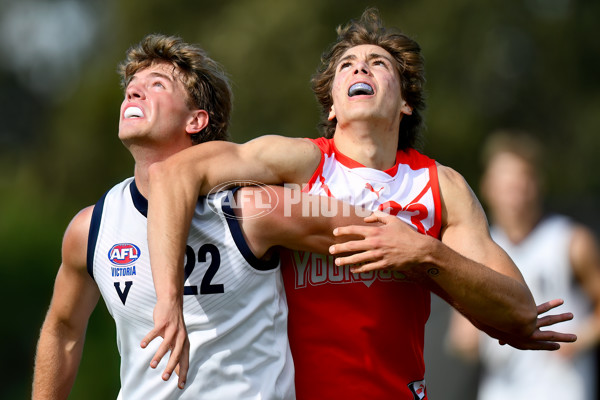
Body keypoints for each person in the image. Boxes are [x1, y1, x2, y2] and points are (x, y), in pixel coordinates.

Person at [143, 9, 577, 399]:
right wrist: (169, 301)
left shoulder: (439, 185)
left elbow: (519, 310)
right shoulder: (301, 162)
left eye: (378, 63)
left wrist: (425, 252)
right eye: (347, 65)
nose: (360, 68)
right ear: (332, 106)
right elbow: (175, 173)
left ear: (406, 102)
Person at [32, 33, 380, 400]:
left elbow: (371, 230)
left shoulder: (253, 207)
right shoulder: (93, 227)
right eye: (131, 88)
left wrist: (430, 248)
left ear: (196, 120)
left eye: (156, 85)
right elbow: (63, 328)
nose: (133, 93)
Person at [447, 130, 600, 400]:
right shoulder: (475, 250)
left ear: (537, 184)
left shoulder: (571, 242)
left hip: (563, 391)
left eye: (521, 180)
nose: (514, 191)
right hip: (501, 391)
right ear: (487, 186)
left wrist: (580, 339)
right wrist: (466, 337)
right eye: (505, 182)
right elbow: (462, 337)